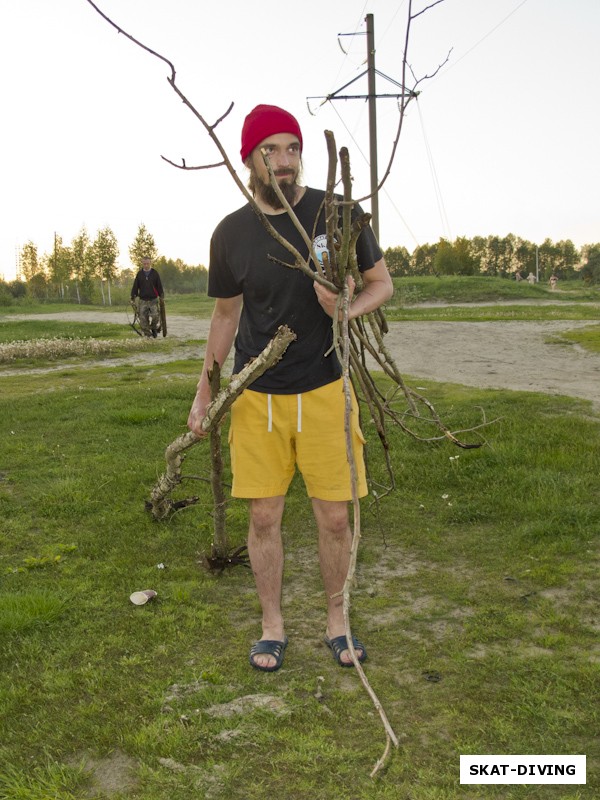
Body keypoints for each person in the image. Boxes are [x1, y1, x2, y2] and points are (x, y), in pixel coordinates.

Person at [187, 104, 393, 672]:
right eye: (270, 150)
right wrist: (205, 391)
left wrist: (347, 307)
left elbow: (382, 285)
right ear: (249, 159)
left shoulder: (337, 213)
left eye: (292, 148)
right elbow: (226, 316)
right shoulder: (230, 234)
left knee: (333, 518)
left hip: (326, 388)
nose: (284, 161)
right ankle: (272, 626)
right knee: (263, 518)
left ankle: (337, 621)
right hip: (258, 396)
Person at [130, 257, 164, 337]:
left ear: (150, 263)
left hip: (153, 300)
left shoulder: (155, 273)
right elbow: (135, 286)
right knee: (142, 318)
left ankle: (153, 328)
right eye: (144, 264)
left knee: (155, 316)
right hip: (143, 300)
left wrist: (161, 296)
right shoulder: (139, 274)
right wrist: (132, 297)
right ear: (142, 264)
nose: (146, 265)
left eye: (147, 263)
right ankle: (148, 335)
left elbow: (159, 285)